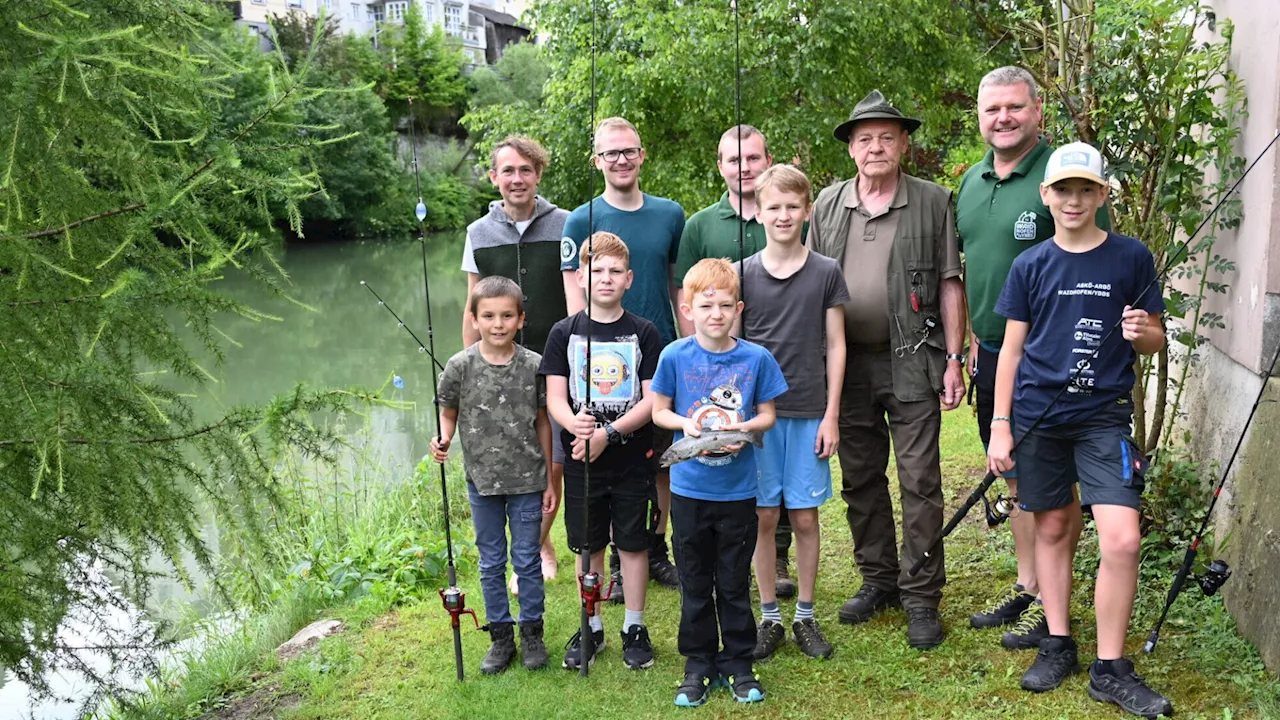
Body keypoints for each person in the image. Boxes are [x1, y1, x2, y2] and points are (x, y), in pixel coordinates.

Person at [987, 142, 1172, 718]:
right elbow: (1010, 351)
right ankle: (1059, 641)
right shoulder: (1030, 264)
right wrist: (1000, 426)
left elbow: (1155, 339)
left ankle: (1110, 668)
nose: (1073, 200)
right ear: (1046, 196)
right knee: (1053, 527)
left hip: (1104, 416)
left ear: (1102, 196)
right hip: (1038, 414)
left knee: (1121, 537)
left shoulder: (1131, 257)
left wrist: (1142, 333)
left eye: (1085, 190)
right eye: (1062, 190)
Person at [956, 67, 1110, 649]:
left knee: (1054, 485)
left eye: (1014, 107)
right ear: (980, 114)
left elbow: (1097, 265)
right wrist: (970, 344)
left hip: (1054, 365)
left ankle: (1053, 601)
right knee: (1016, 476)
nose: (1003, 118)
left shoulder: (1062, 177)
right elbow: (977, 269)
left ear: (1037, 110)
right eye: (992, 108)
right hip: (995, 354)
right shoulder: (971, 183)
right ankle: (1028, 585)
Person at [808, 89, 966, 650]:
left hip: (913, 361)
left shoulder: (932, 200)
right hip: (844, 367)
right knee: (860, 478)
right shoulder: (825, 205)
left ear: (903, 144)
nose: (876, 146)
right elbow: (809, 284)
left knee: (921, 480)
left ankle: (921, 596)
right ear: (851, 148)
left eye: (886, 137)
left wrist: (952, 356)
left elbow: (950, 282)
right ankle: (879, 580)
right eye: (864, 137)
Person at [651, 258, 787, 706]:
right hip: (689, 492)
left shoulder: (756, 358)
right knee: (694, 578)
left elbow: (768, 414)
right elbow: (659, 411)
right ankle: (698, 662)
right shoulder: (674, 355)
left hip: (738, 493)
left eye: (725, 305)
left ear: (739, 308)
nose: (716, 314)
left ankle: (739, 661)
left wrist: (747, 428)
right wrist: (686, 425)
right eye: (706, 305)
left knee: (732, 579)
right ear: (687, 308)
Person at [560, 117, 685, 599]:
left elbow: (678, 286)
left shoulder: (671, 214)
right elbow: (576, 293)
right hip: (603, 366)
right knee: (610, 461)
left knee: (659, 463)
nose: (621, 160)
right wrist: (583, 362)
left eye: (629, 151)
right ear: (597, 160)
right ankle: (615, 560)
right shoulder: (579, 220)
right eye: (611, 153)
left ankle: (655, 548)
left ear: (642, 154)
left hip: (660, 356)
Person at [675, 124, 798, 599]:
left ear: (768, 160)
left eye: (752, 158)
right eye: (733, 159)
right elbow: (682, 292)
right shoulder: (700, 226)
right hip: (714, 370)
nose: (743, 167)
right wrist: (697, 361)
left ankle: (777, 553)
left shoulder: (784, 215)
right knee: (721, 453)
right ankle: (727, 552)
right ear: (720, 165)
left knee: (771, 461)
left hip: (771, 360)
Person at [738, 165, 849, 662]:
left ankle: (805, 613)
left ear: (808, 211)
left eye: (792, 207)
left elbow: (836, 344)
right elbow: (731, 348)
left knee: (804, 516)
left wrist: (832, 414)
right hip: (758, 418)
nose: (783, 216)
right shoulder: (742, 273)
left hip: (809, 411)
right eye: (773, 207)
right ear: (758, 212)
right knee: (763, 515)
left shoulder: (826, 271)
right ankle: (769, 615)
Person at [540, 231, 663, 671]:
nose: (606, 279)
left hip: (631, 460)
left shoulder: (644, 333)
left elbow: (652, 401)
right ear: (580, 277)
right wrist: (573, 423)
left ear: (629, 279)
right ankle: (589, 624)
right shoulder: (563, 332)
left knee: (632, 544)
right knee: (586, 546)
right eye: (597, 271)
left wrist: (608, 434)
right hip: (579, 463)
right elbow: (555, 396)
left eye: (615, 272)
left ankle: (634, 625)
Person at [461, 136, 570, 591]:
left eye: (526, 170)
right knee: (511, 457)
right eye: (508, 171)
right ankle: (518, 549)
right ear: (494, 178)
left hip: (556, 364)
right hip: (500, 367)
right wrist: (469, 368)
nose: (517, 179)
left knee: (553, 460)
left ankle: (541, 544)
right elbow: (471, 302)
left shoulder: (567, 223)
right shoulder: (477, 233)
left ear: (538, 175)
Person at [431, 276, 555, 675]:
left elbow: (543, 423)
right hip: (481, 482)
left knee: (526, 559)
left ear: (521, 319)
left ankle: (532, 633)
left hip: (528, 482)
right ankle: (501, 636)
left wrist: (551, 480)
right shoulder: (459, 366)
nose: (497, 324)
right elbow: (446, 412)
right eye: (488, 316)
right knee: (490, 562)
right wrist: (443, 438)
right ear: (474, 319)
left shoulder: (536, 365)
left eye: (506, 316)